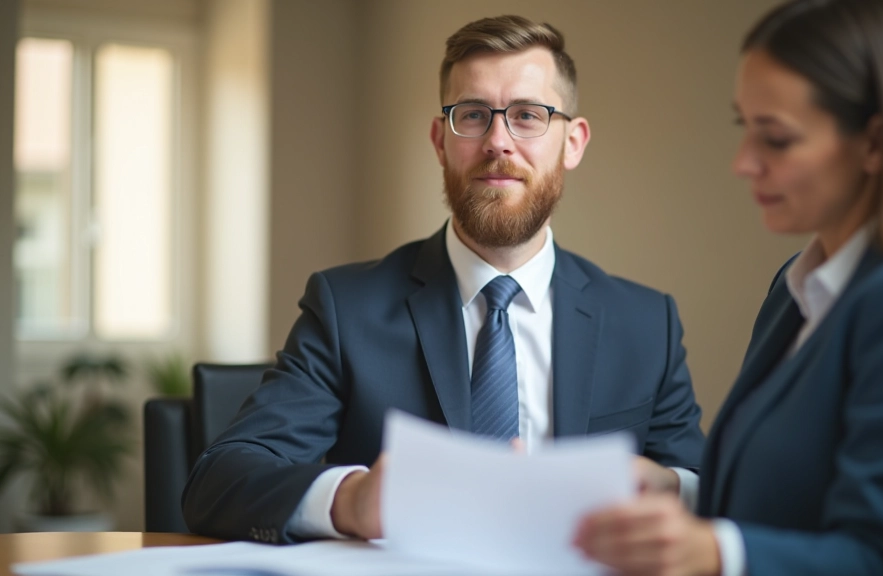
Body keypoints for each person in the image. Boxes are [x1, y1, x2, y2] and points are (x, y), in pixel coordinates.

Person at [182, 15, 705, 544]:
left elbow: (715, 490)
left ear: (573, 141)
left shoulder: (646, 324)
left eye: (528, 115)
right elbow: (220, 480)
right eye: (473, 115)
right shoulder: (345, 309)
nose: (498, 141)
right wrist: (353, 499)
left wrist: (665, 488)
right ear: (440, 140)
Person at [573, 0, 883, 574]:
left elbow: (881, 556)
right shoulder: (797, 286)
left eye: (774, 138)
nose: (743, 163)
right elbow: (784, 500)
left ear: (874, 144)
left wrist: (712, 552)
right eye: (744, 128)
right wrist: (668, 490)